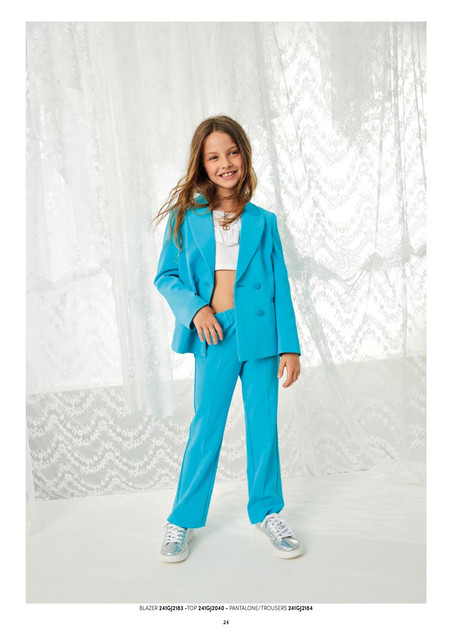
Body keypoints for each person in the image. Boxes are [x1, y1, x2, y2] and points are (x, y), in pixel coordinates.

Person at [153, 114, 304, 562]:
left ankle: (268, 512)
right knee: (206, 427)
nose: (225, 163)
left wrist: (290, 345)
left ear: (245, 155)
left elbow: (280, 286)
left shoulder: (264, 221)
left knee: (263, 426)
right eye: (214, 156)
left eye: (232, 152)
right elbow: (166, 276)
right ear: (202, 164)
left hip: (261, 336)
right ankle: (181, 519)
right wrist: (196, 309)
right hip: (214, 332)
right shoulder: (186, 218)